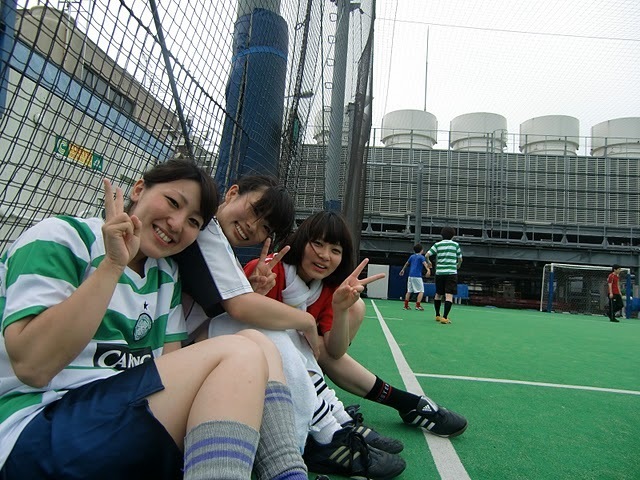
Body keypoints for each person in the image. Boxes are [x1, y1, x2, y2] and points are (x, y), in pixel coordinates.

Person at [0, 159, 309, 480]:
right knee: (240, 350)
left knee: (257, 343)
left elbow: (166, 371)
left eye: (193, 221)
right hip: (34, 430)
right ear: (138, 189)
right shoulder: (63, 236)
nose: (176, 224)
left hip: (119, 420)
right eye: (173, 202)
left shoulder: (164, 275)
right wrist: (112, 266)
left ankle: (287, 474)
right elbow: (33, 367)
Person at [175, 176, 405, 479]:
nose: (253, 226)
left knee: (277, 333)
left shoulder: (220, 241)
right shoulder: (207, 231)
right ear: (231, 193)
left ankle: (331, 421)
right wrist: (304, 320)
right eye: (255, 210)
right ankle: (322, 433)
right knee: (269, 333)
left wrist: (337, 310)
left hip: (186, 353)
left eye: (265, 227)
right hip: (178, 359)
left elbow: (332, 352)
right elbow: (240, 308)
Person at [244, 212, 468, 469]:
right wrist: (299, 318)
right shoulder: (268, 270)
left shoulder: (325, 286)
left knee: (350, 311)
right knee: (290, 337)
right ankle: (327, 425)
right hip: (250, 367)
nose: (324, 255)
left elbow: (335, 352)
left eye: (335, 250)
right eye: (317, 243)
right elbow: (242, 319)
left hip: (292, 368)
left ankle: (402, 405)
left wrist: (340, 310)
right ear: (301, 241)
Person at [426, 226, 463, 324]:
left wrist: (429, 262)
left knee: (438, 294)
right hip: (451, 273)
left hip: (439, 273)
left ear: (441, 235)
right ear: (453, 235)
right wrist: (458, 265)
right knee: (449, 295)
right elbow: (460, 258)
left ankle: (437, 315)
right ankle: (445, 317)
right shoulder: (455, 245)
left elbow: (427, 255)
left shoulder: (437, 245)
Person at [399, 243, 430, 310]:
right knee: (421, 291)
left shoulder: (412, 256)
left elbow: (407, 263)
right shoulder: (421, 257)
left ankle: (406, 306)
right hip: (417, 276)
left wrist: (402, 270)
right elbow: (425, 264)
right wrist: (428, 270)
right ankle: (418, 305)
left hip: (410, 276)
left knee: (409, 291)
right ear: (421, 250)